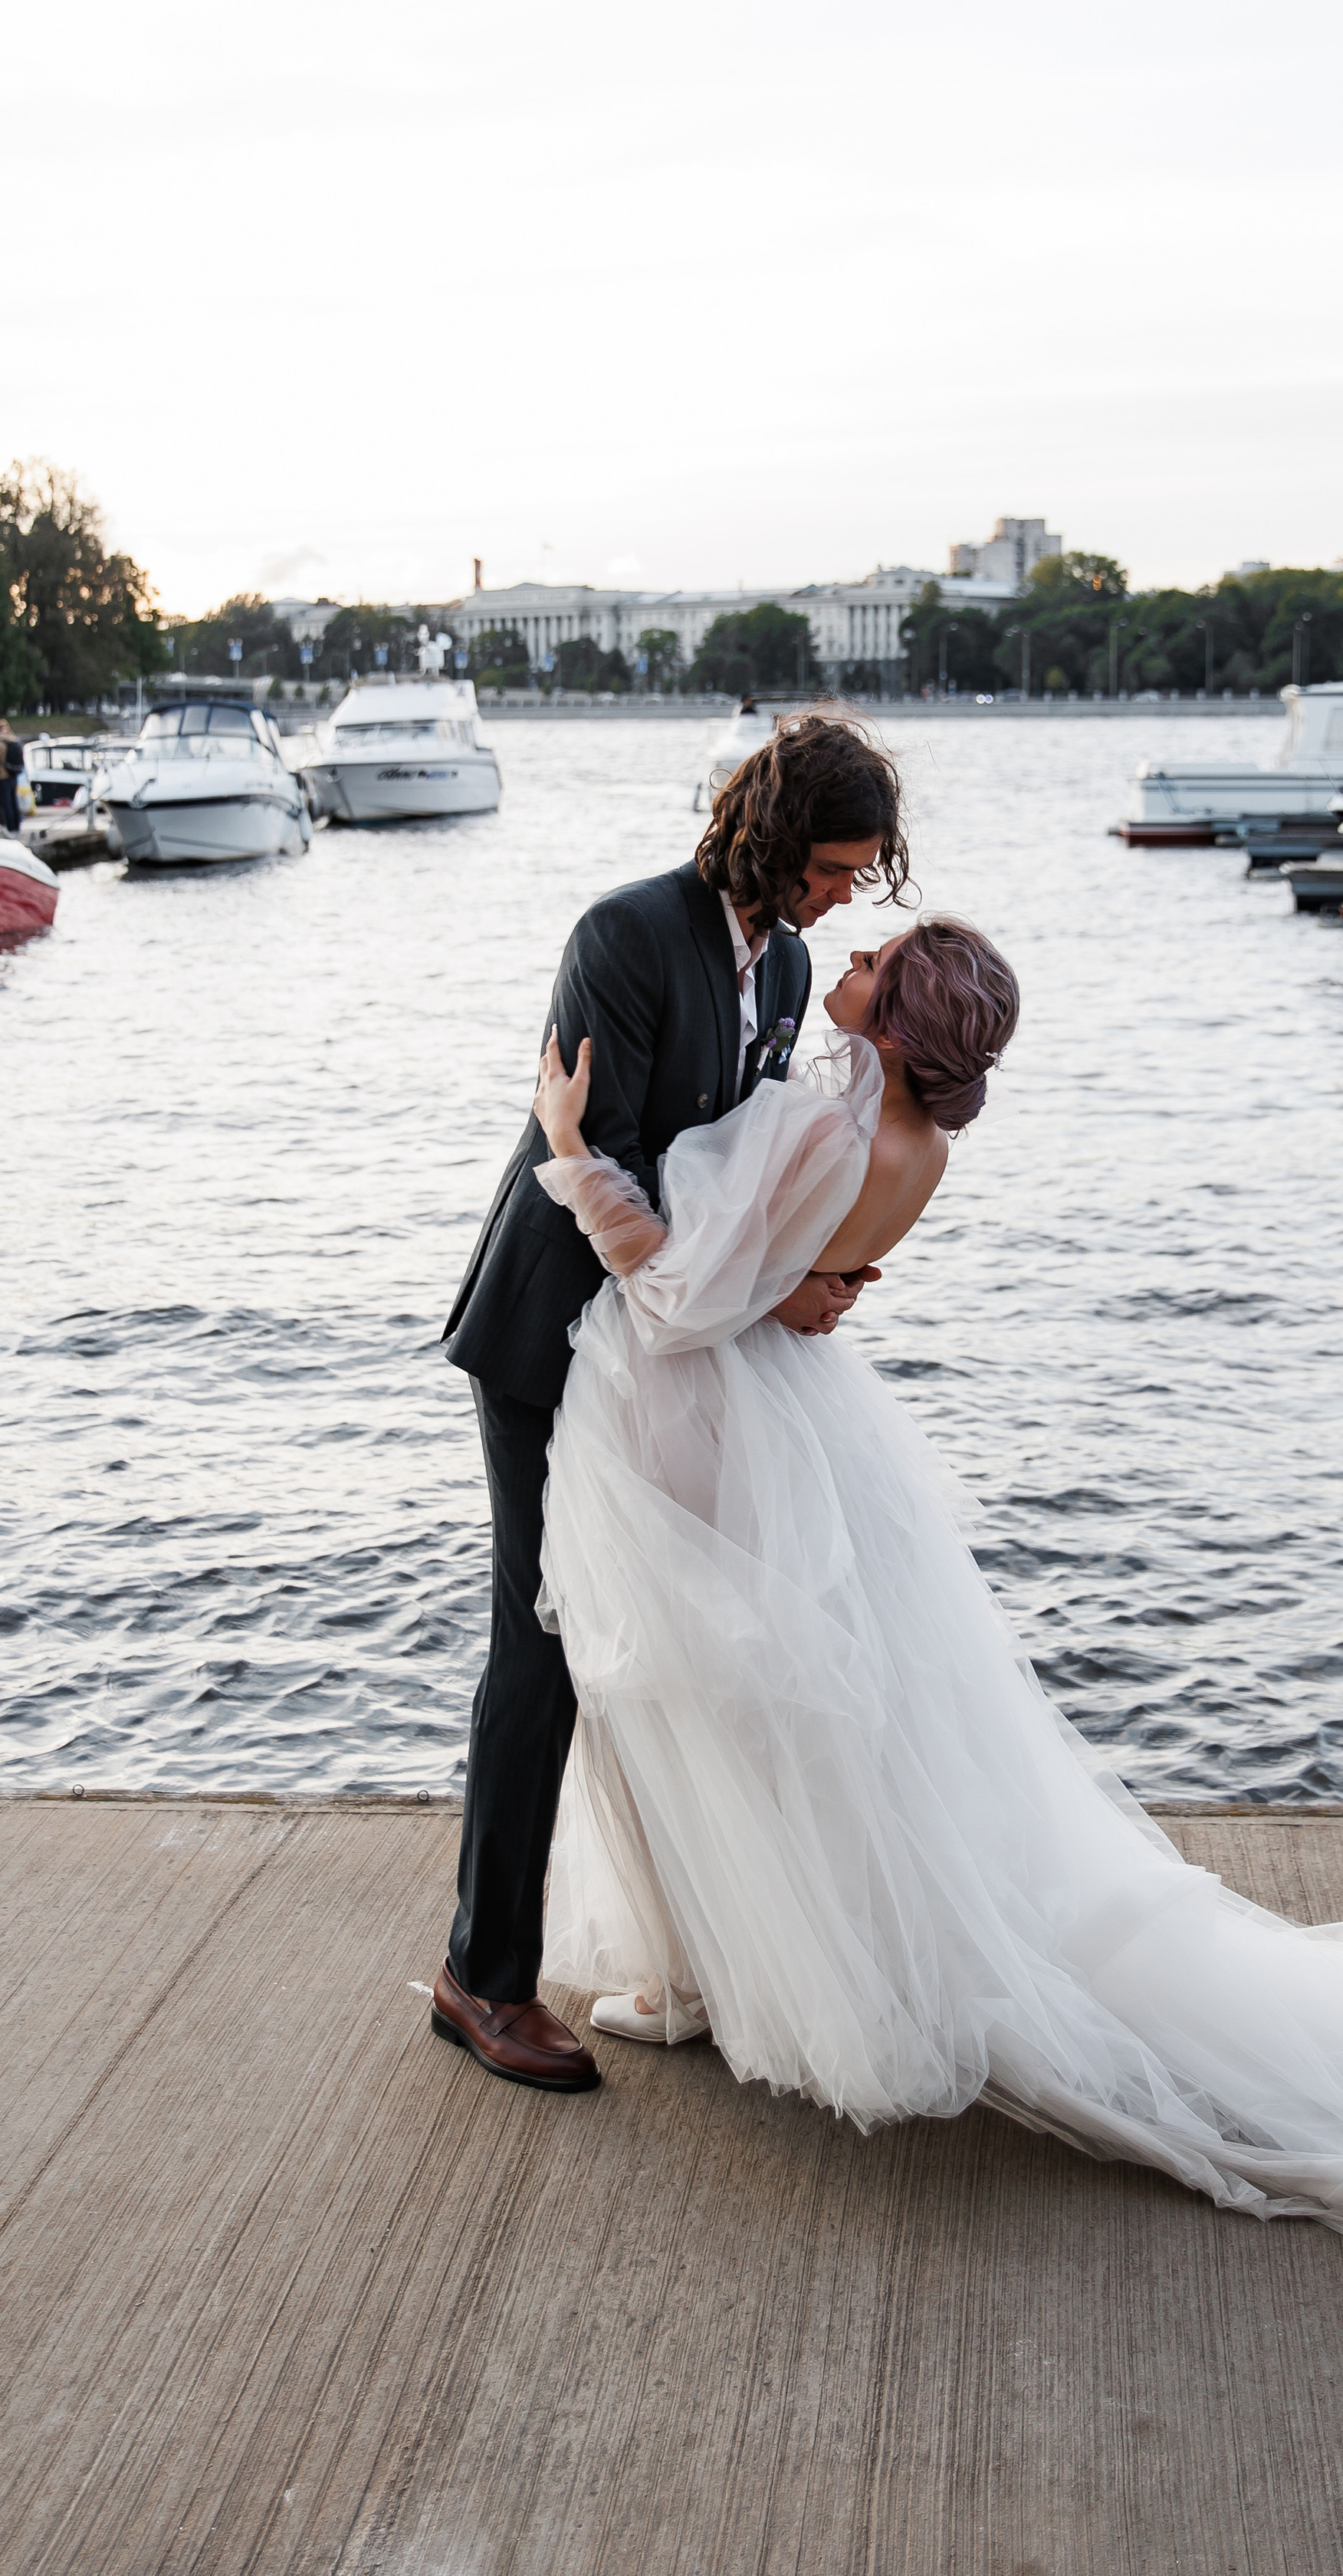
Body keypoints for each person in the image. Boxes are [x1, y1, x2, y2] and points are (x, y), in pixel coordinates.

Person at [503, 920, 1343, 2270]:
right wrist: (802, 1274)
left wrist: (573, 1150)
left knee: (711, 1697)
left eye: (876, 953)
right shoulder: (922, 1147)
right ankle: (730, 1963)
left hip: (722, 1425)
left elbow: (672, 1299)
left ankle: (720, 1973)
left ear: (895, 1016)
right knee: (821, 1720)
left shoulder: (829, 1126)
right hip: (810, 1431)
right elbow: (791, 1282)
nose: (849, 944)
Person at [432, 712, 909, 2095]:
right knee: (545, 1641)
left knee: (684, 1638)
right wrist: (759, 1294)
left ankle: (689, 1948)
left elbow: (736, 1176)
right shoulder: (625, 936)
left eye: (857, 876)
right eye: (829, 867)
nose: (839, 897)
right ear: (769, 838)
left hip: (667, 1350)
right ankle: (483, 1977)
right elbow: (615, 1169)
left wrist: (804, 1271)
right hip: (548, 1336)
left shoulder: (796, 965)